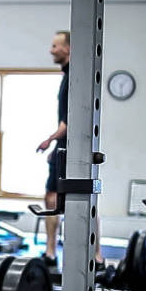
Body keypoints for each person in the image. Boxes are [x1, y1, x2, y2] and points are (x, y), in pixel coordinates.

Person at [36, 31, 104, 270]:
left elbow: (68, 120)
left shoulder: (75, 76)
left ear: (68, 49)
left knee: (85, 199)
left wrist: (49, 140)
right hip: (66, 148)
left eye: (55, 46)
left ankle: (94, 256)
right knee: (53, 198)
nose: (51, 50)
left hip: (72, 148)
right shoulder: (69, 76)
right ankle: (52, 252)